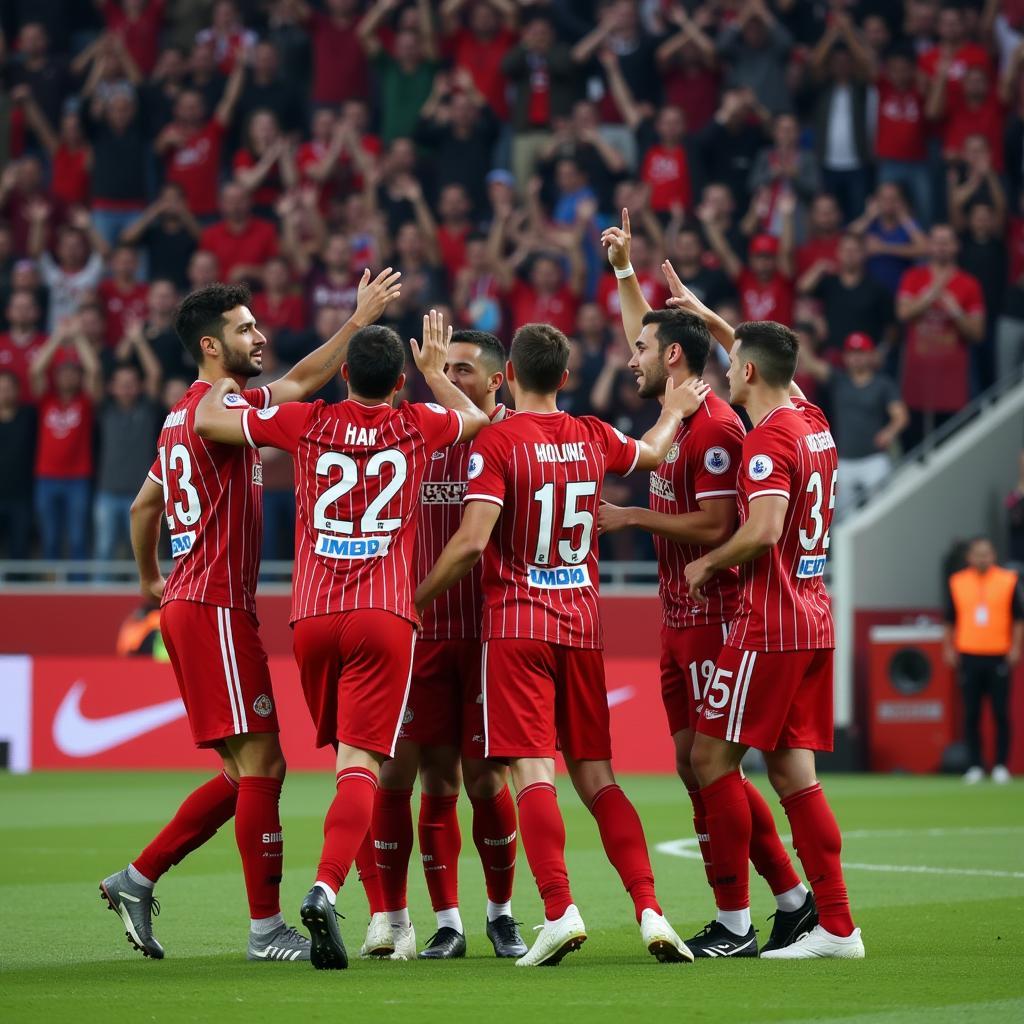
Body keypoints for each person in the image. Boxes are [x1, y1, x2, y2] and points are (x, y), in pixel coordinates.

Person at [98, 269, 401, 963]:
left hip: (195, 602)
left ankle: (137, 878)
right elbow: (293, 391)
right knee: (264, 763)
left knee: (248, 772)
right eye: (244, 328)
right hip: (212, 608)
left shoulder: (184, 415)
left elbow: (146, 507)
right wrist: (356, 324)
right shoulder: (212, 409)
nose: (259, 335)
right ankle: (266, 931)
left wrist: (152, 577)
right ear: (211, 345)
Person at [192, 311, 490, 971]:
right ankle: (327, 886)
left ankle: (381, 917)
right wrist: (438, 375)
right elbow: (478, 420)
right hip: (384, 614)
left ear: (348, 373)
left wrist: (217, 380)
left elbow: (212, 422)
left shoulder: (309, 422)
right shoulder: (419, 424)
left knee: (339, 758)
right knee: (361, 764)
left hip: (313, 617)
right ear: (400, 381)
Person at [414, 320, 702, 967]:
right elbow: (652, 453)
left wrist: (413, 604)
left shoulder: (497, 441)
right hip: (582, 626)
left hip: (517, 628)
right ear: (565, 379)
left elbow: (467, 545)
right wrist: (677, 409)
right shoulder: (591, 435)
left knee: (532, 771)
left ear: (508, 377)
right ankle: (651, 911)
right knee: (599, 777)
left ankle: (557, 909)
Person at [596, 211, 815, 958]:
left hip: (719, 616)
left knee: (711, 765)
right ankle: (791, 899)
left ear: (677, 359)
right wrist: (627, 273)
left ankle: (737, 919)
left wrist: (630, 518)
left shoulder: (717, 429)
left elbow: (720, 527)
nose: (632, 360)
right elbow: (653, 337)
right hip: (677, 616)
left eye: (644, 352)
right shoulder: (675, 412)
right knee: (696, 769)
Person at [678, 297, 863, 960]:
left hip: (768, 624)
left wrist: (709, 561)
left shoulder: (769, 442)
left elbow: (762, 530)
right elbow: (763, 357)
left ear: (749, 372)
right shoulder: (812, 420)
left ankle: (733, 925)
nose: (727, 374)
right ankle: (836, 926)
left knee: (708, 759)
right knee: (792, 774)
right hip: (814, 617)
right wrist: (705, 312)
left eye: (734, 366)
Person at [371, 329, 525, 961]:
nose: (449, 376)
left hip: (491, 634)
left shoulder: (512, 437)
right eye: (442, 367)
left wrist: (432, 378)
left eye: (462, 369)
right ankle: (446, 923)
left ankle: (503, 915)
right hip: (424, 636)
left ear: (496, 380)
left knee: (488, 780)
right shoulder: (423, 433)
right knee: (432, 779)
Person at [799, 332, 909, 516]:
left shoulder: (883, 384)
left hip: (875, 459)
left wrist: (889, 432)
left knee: (880, 513)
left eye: (861, 352)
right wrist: (801, 343)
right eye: (851, 353)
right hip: (844, 461)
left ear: (871, 355)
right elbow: (811, 365)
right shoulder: (839, 380)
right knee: (841, 516)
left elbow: (901, 416)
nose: (856, 357)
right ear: (845, 357)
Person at [896, 224, 985, 449]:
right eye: (936, 241)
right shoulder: (913, 277)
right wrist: (929, 297)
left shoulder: (969, 283)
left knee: (951, 449)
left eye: (946, 241)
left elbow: (977, 333)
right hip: (917, 382)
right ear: (929, 245)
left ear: (956, 246)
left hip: (953, 386)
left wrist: (956, 312)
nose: (941, 247)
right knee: (912, 451)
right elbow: (903, 313)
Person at [943, 537, 1021, 785]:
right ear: (969, 557)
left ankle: (1000, 765)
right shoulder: (958, 582)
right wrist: (948, 647)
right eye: (978, 554)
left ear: (994, 555)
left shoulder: (1008, 580)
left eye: (986, 553)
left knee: (1000, 712)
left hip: (998, 653)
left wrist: (1016, 647)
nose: (982, 558)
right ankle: (975, 765)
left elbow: (1018, 618)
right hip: (968, 653)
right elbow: (949, 619)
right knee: (971, 713)